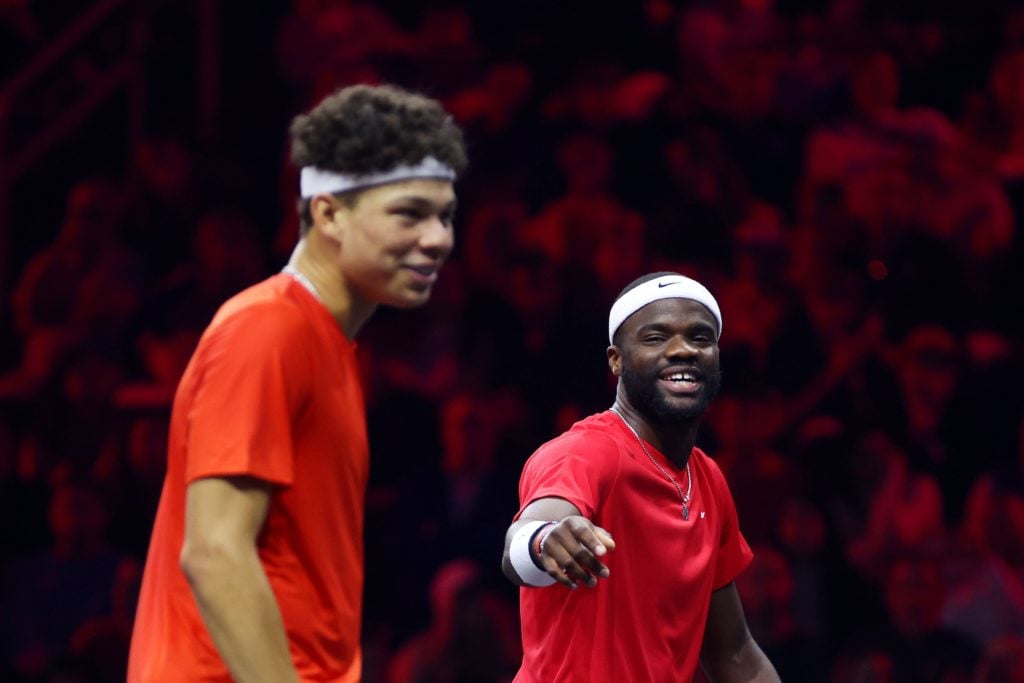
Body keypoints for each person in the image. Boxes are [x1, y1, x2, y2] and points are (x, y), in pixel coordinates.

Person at [127, 83, 467, 682]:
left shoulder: (332, 350)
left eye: (444, 215)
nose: (438, 239)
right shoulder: (267, 332)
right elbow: (215, 553)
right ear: (329, 211)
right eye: (409, 213)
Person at [501, 271, 780, 682]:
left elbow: (735, 654)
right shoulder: (587, 451)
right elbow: (520, 546)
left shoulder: (707, 478)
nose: (682, 350)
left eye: (700, 338)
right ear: (616, 359)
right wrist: (544, 540)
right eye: (655, 338)